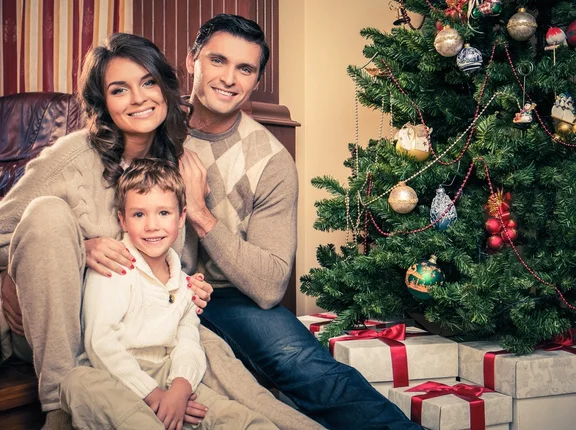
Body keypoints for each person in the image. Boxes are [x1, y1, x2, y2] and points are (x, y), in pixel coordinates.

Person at [0, 32, 321, 430]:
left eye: (148, 82)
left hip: (148, 326)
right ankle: (60, 408)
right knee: (48, 214)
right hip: (63, 330)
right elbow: (16, 231)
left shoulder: (181, 163)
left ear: (166, 89)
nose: (138, 99)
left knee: (233, 379)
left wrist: (191, 283)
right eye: (120, 89)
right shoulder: (69, 158)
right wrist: (73, 249)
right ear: (103, 102)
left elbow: (175, 260)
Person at [181, 13, 423, 430]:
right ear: (192, 60)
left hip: (232, 296)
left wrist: (201, 215)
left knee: (307, 366)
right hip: (156, 290)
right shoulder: (148, 125)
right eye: (217, 60)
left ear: (256, 80)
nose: (229, 78)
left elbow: (270, 283)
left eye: (245, 68)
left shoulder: (271, 160)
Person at [60, 158, 277, 430]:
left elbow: (188, 342)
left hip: (168, 374)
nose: (152, 225)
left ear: (182, 216)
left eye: (163, 213)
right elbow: (101, 345)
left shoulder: (185, 284)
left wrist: (179, 390)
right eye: (139, 215)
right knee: (77, 382)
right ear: (123, 220)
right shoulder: (114, 268)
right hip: (115, 376)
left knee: (241, 420)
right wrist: (154, 396)